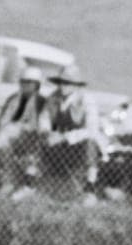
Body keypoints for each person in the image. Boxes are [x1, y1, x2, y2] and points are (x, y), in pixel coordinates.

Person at [39, 64, 104, 206]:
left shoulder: (86, 99)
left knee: (90, 144)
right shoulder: (53, 97)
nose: (63, 86)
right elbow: (44, 118)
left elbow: (92, 129)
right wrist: (47, 132)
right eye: (61, 82)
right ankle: (30, 184)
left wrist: (65, 137)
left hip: (80, 145)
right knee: (37, 141)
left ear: (76, 85)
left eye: (68, 83)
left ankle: (90, 191)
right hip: (59, 144)